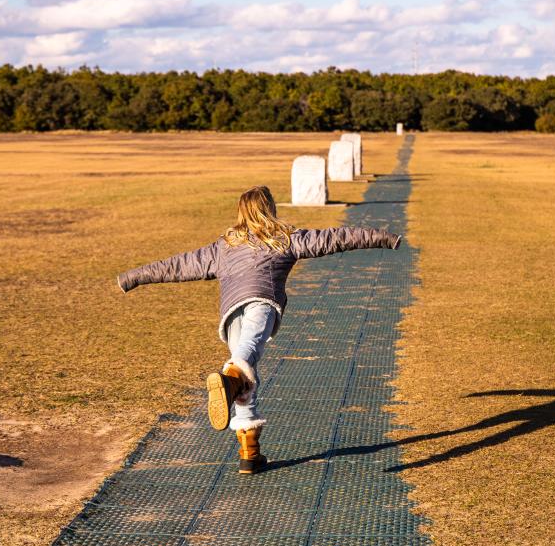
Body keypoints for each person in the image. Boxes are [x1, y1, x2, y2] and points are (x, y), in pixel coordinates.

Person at [117, 185, 401, 474]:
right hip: (261, 303)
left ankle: (249, 454)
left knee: (246, 368)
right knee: (243, 363)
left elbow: (178, 265)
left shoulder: (224, 246)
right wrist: (384, 237)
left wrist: (133, 277)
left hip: (230, 315)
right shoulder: (285, 239)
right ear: (270, 208)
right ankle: (229, 381)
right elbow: (338, 238)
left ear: (241, 211)